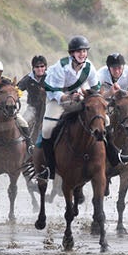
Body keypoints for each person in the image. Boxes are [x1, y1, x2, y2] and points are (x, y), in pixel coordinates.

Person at [30, 36, 98, 184]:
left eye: (85, 51)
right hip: (56, 98)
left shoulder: (89, 67)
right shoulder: (61, 67)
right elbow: (56, 92)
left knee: (100, 121)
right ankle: (48, 167)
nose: (82, 54)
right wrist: (68, 97)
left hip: (75, 97)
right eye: (79, 51)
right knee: (47, 129)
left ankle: (110, 158)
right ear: (72, 53)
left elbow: (96, 88)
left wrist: (91, 96)